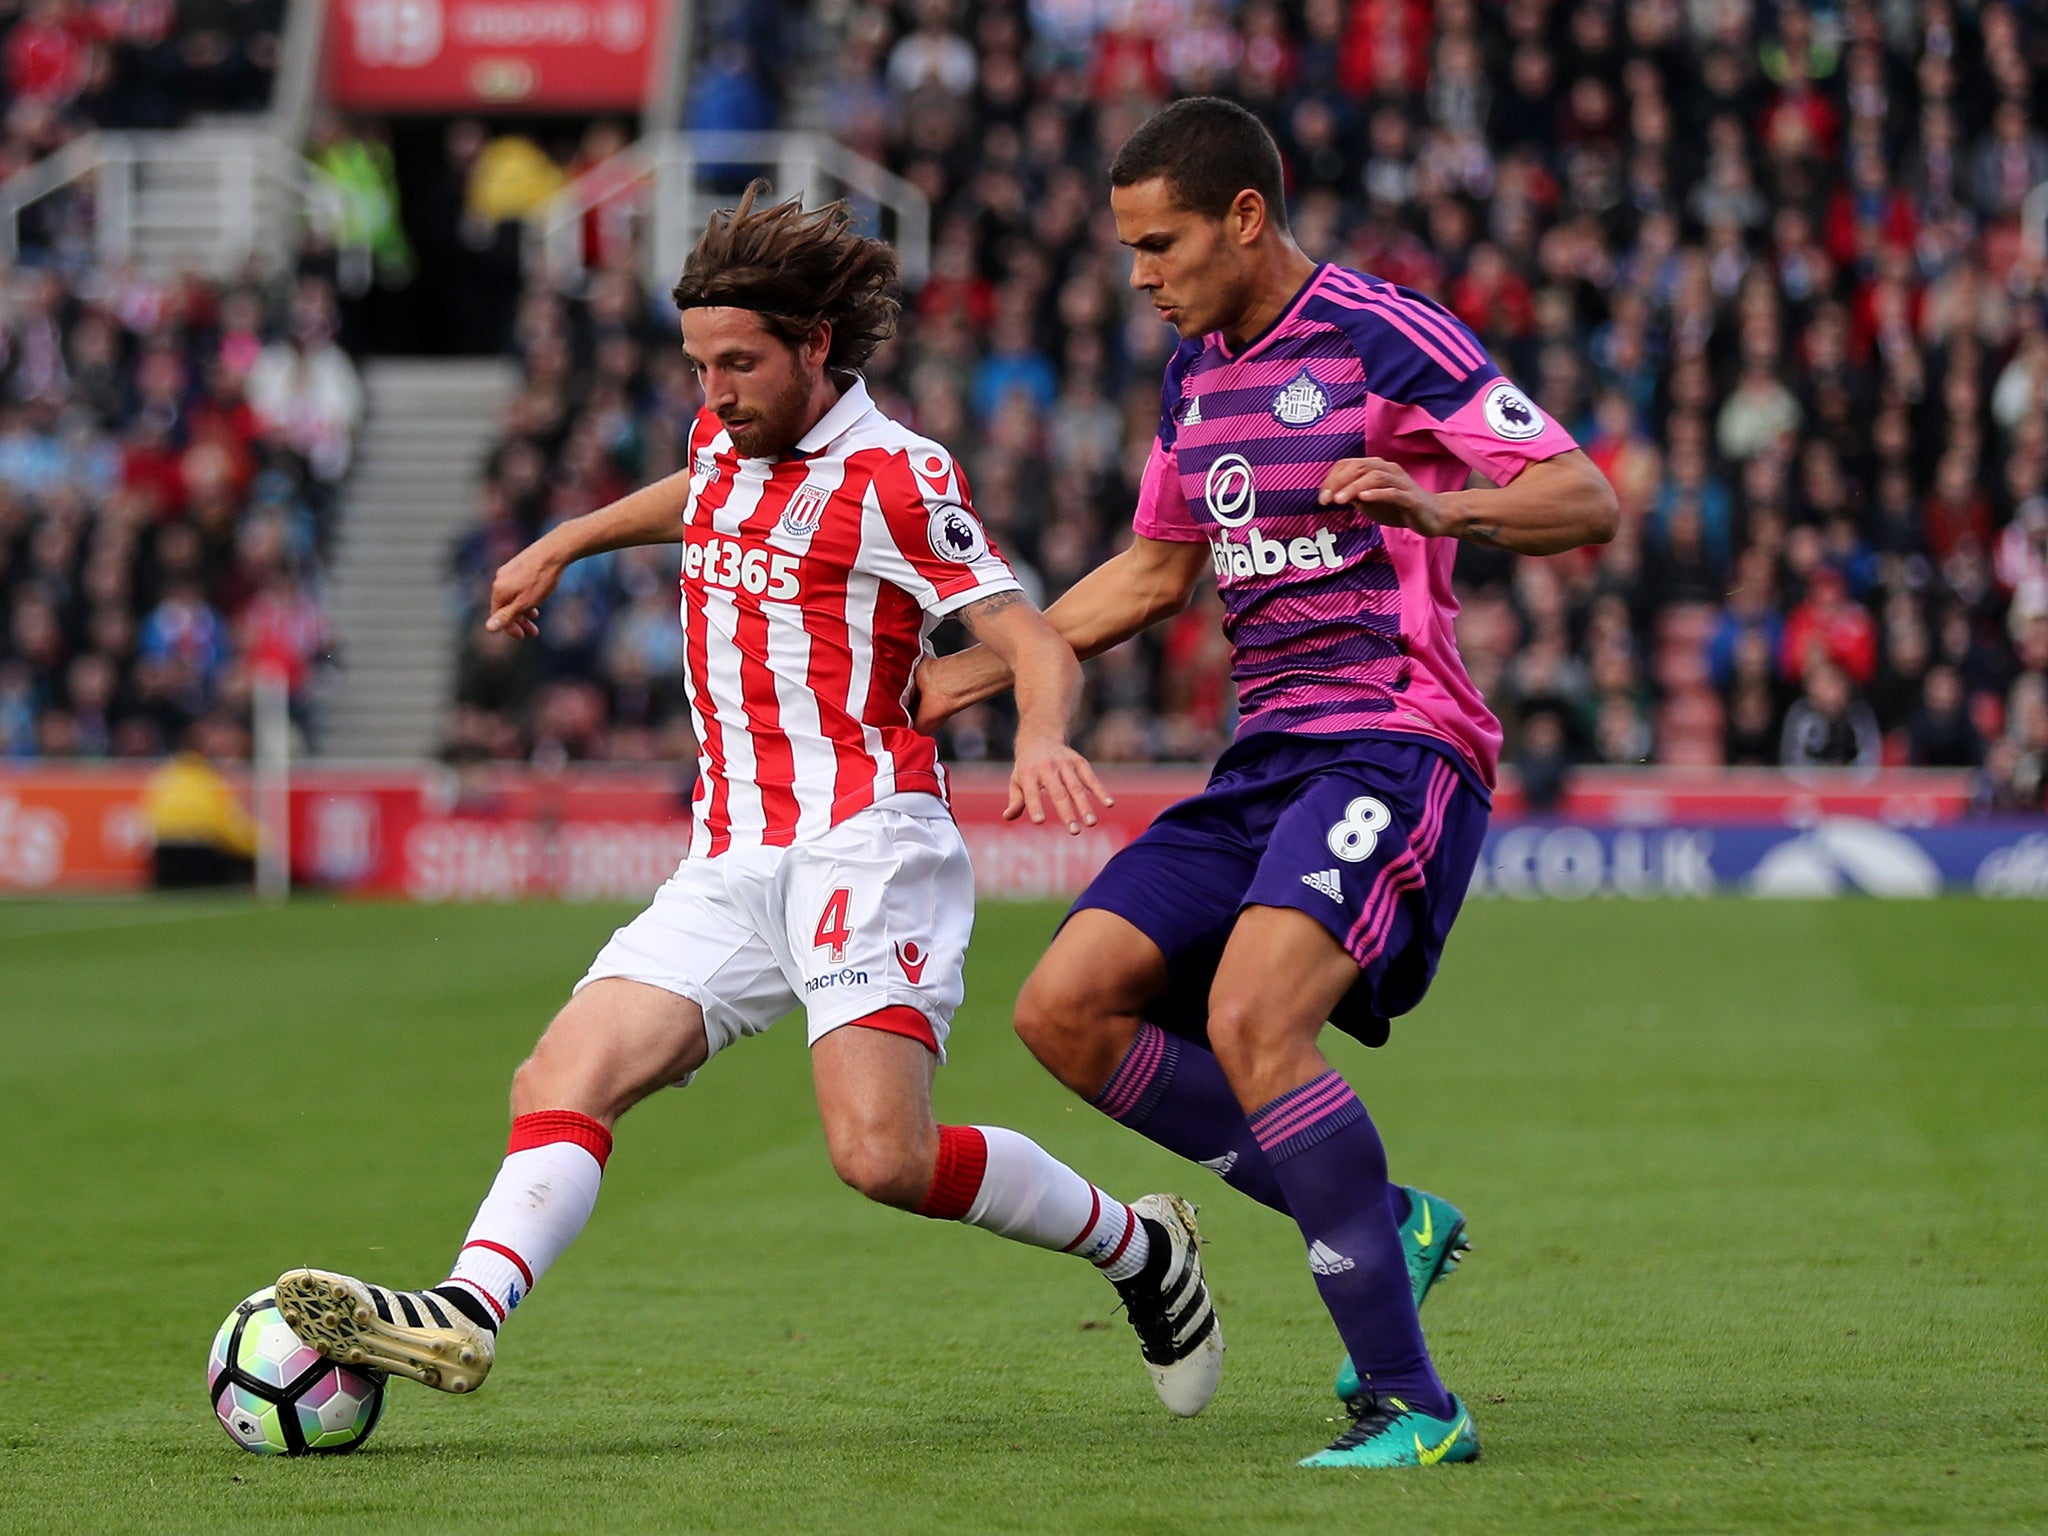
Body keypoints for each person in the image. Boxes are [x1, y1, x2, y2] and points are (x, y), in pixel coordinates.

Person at [276, 187, 1222, 1421]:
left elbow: (1026, 635)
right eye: (698, 365)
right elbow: (696, 492)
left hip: (864, 844)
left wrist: (1039, 732)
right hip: (730, 857)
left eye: (739, 365)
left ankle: (1142, 1252)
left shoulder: (895, 476)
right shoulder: (727, 438)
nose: (713, 393)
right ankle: (465, 1311)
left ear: (815, 347)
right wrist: (566, 538)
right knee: (561, 1073)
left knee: (879, 1156)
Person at [916, 99, 1617, 1469]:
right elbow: (1157, 573)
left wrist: (1441, 503)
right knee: (1064, 1008)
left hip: (1396, 743)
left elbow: (1581, 496)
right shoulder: (1194, 377)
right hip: (1267, 763)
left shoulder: (1382, 333)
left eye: (1159, 243)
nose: (1140, 275)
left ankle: (1412, 1408)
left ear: (1246, 217)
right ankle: (1381, 1217)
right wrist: (979, 670)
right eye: (1128, 249)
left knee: (1252, 1016)